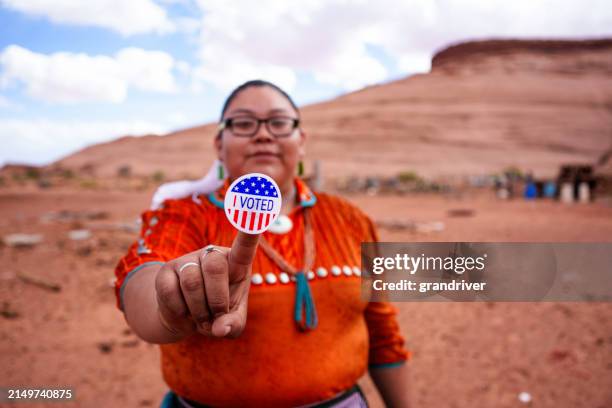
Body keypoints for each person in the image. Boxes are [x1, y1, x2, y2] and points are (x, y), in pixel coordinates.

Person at [114, 80, 412, 407]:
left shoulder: (349, 219)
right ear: (219, 144)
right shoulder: (185, 215)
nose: (263, 134)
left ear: (302, 141)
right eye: (243, 123)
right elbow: (142, 280)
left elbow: (383, 333)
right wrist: (170, 302)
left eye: (279, 123)